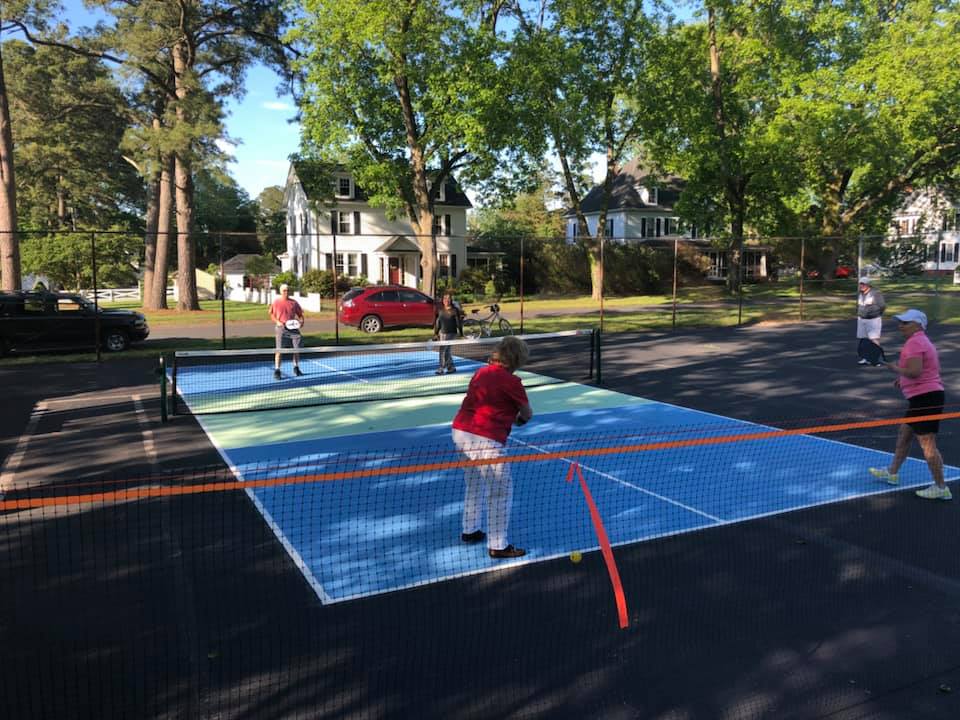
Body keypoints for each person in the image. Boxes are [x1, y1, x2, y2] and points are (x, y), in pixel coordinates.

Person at [452, 336, 533, 559]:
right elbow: (527, 413)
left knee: (474, 484)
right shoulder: (512, 382)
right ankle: (498, 545)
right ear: (516, 359)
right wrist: (518, 421)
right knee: (501, 490)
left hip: (460, 433)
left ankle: (470, 530)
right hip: (485, 439)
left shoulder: (480, 372)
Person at [869, 309, 950, 500]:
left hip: (926, 399)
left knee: (927, 444)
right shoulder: (921, 341)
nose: (901, 325)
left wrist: (893, 367)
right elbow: (927, 370)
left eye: (905, 323)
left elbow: (914, 372)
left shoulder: (915, 342)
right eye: (901, 322)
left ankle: (941, 487)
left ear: (918, 325)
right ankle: (892, 472)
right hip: (923, 398)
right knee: (904, 434)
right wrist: (902, 380)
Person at [269, 283, 305, 380]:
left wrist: (301, 321)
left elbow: (300, 314)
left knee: (297, 349)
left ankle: (296, 367)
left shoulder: (294, 302)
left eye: (288, 290)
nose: (286, 292)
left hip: (293, 329)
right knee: (279, 350)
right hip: (281, 329)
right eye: (284, 290)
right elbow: (272, 315)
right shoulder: (276, 302)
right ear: (280, 292)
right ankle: (277, 370)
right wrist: (278, 322)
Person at [856, 277, 886, 365]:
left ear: (868, 284)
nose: (861, 285)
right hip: (862, 319)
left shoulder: (876, 293)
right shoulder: (859, 294)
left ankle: (876, 359)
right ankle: (865, 357)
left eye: (863, 284)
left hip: (873, 320)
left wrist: (876, 313)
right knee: (864, 339)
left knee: (874, 339)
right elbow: (857, 305)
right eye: (860, 284)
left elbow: (882, 306)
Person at [433, 291, 463, 374]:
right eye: (445, 298)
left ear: (451, 300)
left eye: (449, 299)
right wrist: (435, 333)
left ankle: (441, 368)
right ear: (443, 300)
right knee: (447, 351)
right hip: (442, 333)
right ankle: (451, 367)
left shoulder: (455, 310)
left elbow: (458, 322)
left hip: (452, 333)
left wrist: (461, 333)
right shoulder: (440, 310)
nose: (447, 300)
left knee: (443, 350)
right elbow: (438, 323)